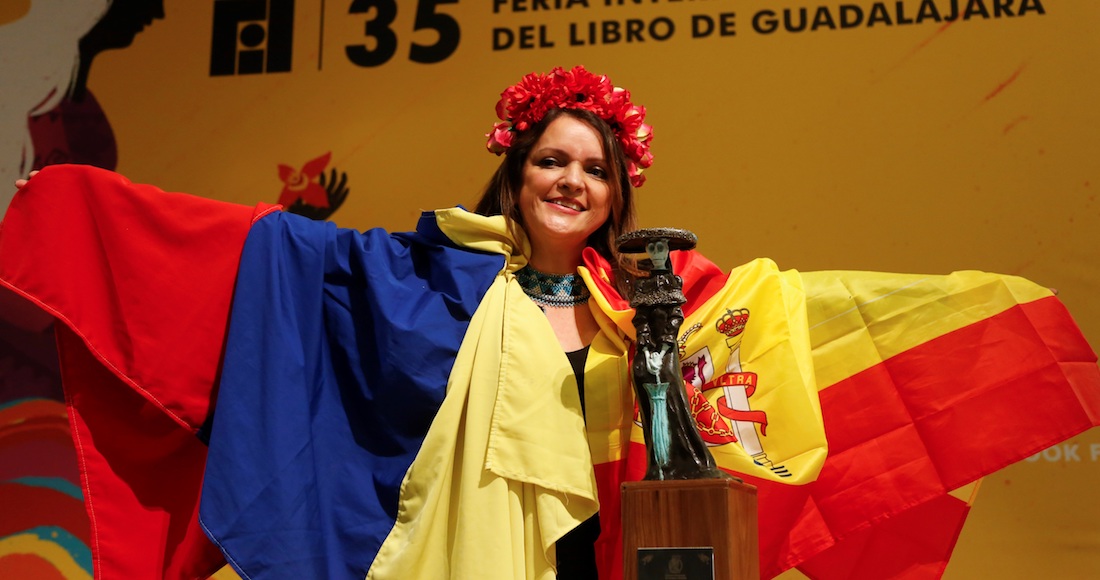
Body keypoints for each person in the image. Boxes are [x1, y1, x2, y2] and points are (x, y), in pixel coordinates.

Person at [3, 66, 1099, 580]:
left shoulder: (657, 298)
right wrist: (80, 209)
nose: (571, 182)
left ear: (618, 194)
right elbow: (278, 256)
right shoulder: (428, 277)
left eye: (594, 169)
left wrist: (968, 311)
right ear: (515, 174)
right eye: (551, 161)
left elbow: (792, 318)